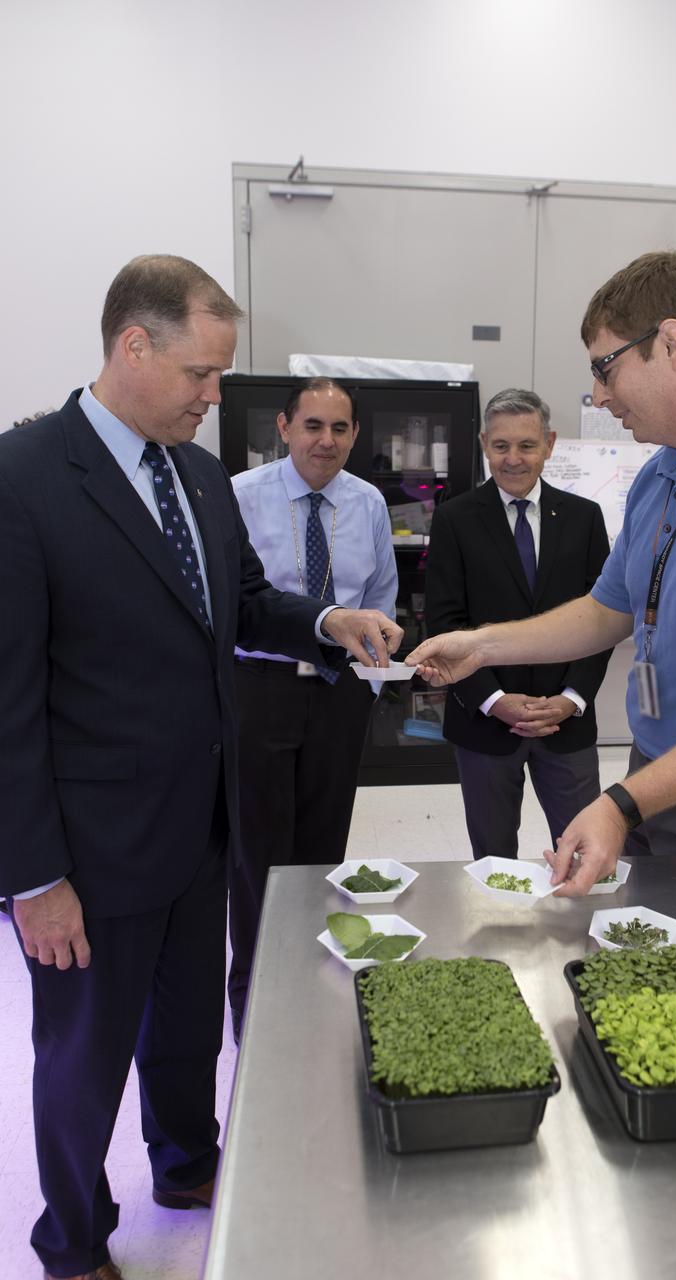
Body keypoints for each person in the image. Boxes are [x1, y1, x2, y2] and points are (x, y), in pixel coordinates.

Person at [0, 254, 401, 1280]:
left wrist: (327, 619)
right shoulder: (25, 478)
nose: (214, 396)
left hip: (200, 825)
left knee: (185, 1028)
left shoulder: (198, 477)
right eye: (200, 374)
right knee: (82, 1057)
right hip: (88, 853)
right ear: (133, 346)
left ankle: (185, 1163)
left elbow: (246, 601)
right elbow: (6, 704)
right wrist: (34, 877)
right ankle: (74, 1235)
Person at [408, 251, 676, 897]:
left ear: (670, 343)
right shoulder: (663, 471)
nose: (597, 394)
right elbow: (605, 610)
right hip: (656, 776)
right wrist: (480, 647)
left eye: (605, 366)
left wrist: (619, 804)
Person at [227, 376, 397, 1041]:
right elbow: (234, 608)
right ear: (284, 426)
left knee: (323, 850)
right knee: (257, 860)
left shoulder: (369, 502)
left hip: (337, 693)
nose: (325, 441)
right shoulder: (240, 496)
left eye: (339, 428)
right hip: (260, 690)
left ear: (355, 434)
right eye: (313, 426)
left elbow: (380, 594)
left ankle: (310, 986)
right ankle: (254, 1011)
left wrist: (368, 685)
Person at [425, 387, 611, 859]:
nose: (513, 459)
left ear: (549, 444)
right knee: (492, 858)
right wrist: (494, 700)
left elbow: (606, 618)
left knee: (582, 853)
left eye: (527, 445)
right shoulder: (454, 519)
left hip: (564, 724)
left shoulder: (585, 518)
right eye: (501, 446)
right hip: (485, 723)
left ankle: (575, 933)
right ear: (485, 443)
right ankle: (496, 933)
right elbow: (445, 622)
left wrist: (571, 700)